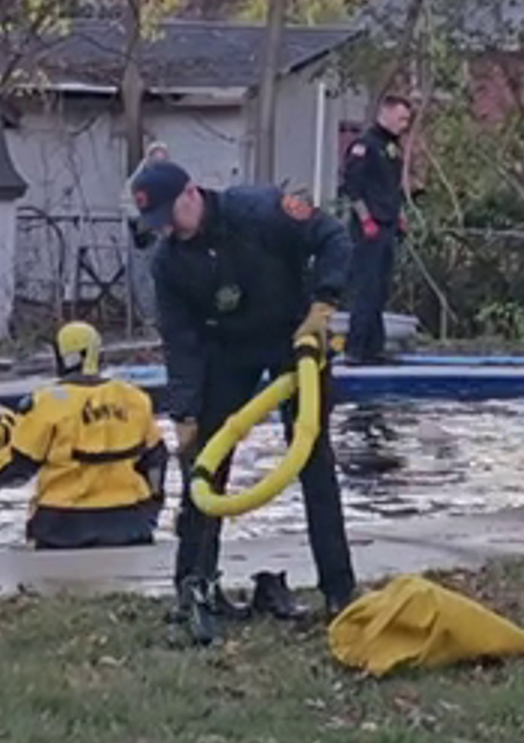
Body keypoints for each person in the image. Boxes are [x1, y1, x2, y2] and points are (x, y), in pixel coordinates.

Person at [129, 158, 356, 641]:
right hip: (228, 348)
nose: (167, 228)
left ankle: (339, 588)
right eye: (158, 223)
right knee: (205, 466)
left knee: (312, 457)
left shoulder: (260, 209)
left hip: (294, 334)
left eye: (171, 215)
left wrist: (325, 302)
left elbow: (333, 236)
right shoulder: (168, 261)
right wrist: (185, 411)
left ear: (192, 193)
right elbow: (180, 340)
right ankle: (193, 584)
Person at [0, 322, 170, 549]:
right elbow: (156, 460)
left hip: (62, 523)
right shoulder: (135, 398)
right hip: (129, 520)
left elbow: (20, 464)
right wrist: (153, 504)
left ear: (63, 357)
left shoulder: (45, 402)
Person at [338, 95, 415, 364]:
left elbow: (392, 188)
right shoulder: (364, 146)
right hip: (368, 226)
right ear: (387, 113)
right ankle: (356, 349)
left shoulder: (391, 147)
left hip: (388, 224)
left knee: (380, 289)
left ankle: (375, 348)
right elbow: (352, 186)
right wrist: (365, 219)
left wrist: (400, 215)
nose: (405, 124)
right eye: (402, 118)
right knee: (366, 288)